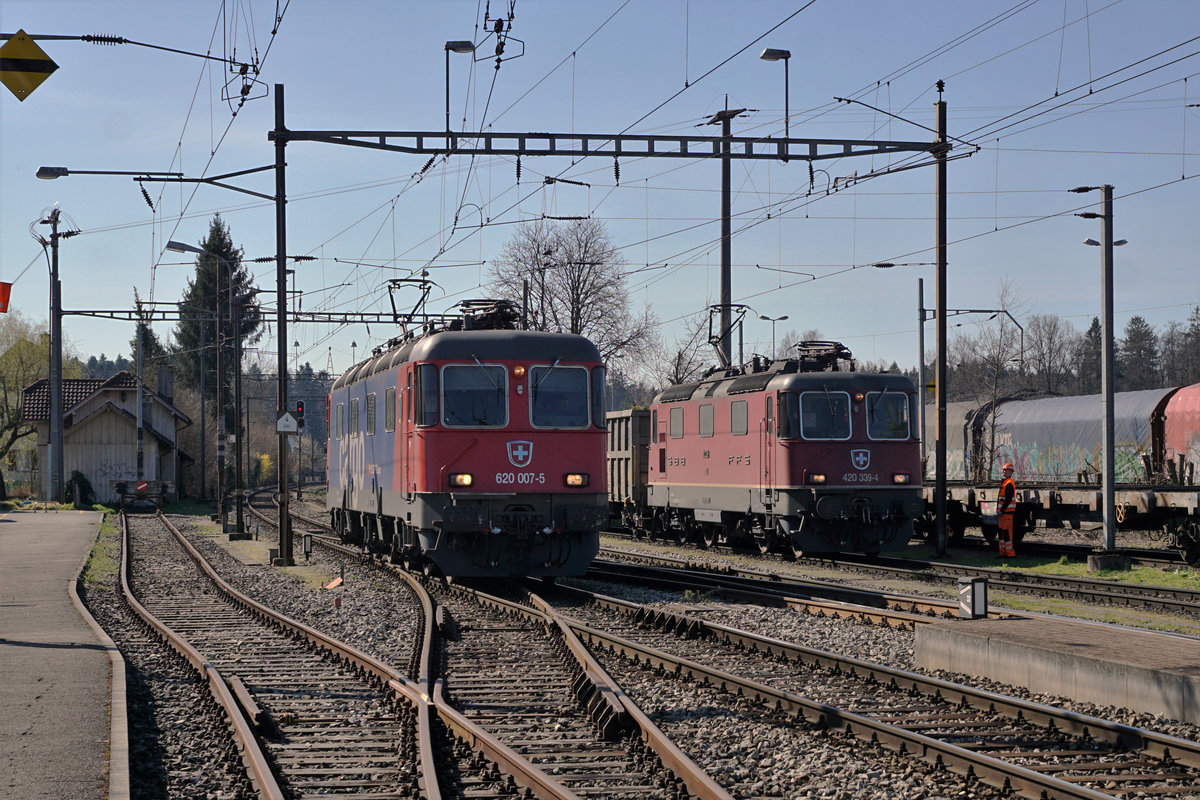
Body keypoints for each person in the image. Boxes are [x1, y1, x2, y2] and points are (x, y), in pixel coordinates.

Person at [997, 462, 1017, 558]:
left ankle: (1010, 554)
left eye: (1005, 470)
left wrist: (1001, 510)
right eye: (1003, 470)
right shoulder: (1005, 483)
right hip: (1003, 514)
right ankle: (1003, 552)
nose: (1004, 472)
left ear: (1010, 472)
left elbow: (1008, 499)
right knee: (1002, 534)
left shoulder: (1008, 484)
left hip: (1007, 514)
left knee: (1007, 534)